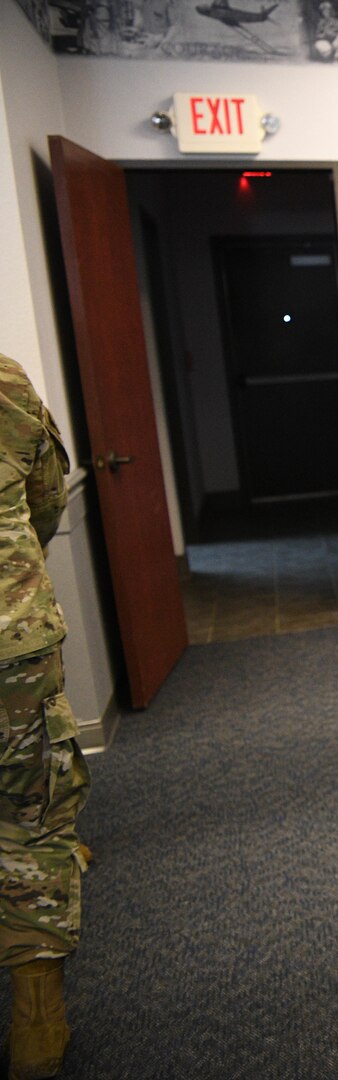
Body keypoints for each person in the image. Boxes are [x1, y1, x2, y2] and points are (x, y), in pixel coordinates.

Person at [0, 352, 90, 1080]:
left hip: (7, 651)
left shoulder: (1, 381)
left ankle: (36, 1001)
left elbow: (44, 497)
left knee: (29, 816)